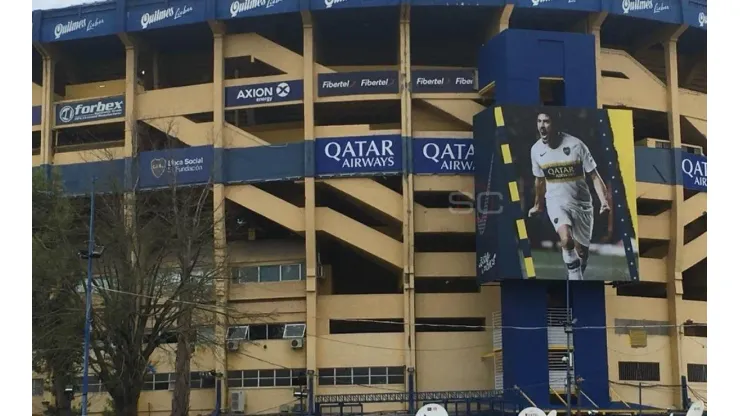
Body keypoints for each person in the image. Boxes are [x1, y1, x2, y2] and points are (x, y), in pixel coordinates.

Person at [528, 110, 610, 280]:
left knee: (581, 254)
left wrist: (604, 201)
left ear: (555, 124)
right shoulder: (536, 150)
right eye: (539, 121)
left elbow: (594, 175)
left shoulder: (576, 145)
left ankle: (576, 276)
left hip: (582, 204)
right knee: (566, 241)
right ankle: (574, 279)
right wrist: (538, 205)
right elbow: (540, 181)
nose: (542, 126)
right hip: (556, 202)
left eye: (547, 121)